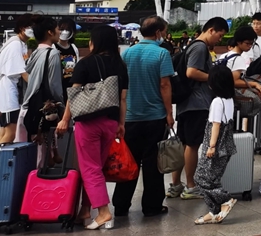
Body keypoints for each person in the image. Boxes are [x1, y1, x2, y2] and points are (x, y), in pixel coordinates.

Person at [56, 24, 128, 231]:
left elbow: (73, 95)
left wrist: (65, 119)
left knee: (90, 168)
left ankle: (103, 212)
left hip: (88, 122)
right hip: (111, 122)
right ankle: (85, 210)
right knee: (96, 167)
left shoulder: (86, 63)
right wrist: (121, 124)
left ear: (95, 42)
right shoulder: (120, 65)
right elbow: (123, 98)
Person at [112, 16, 174, 219]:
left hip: (130, 117)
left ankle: (121, 205)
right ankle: (152, 206)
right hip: (154, 116)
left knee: (128, 161)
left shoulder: (127, 53)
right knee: (152, 163)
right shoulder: (162, 53)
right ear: (157, 33)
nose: (164, 35)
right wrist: (169, 113)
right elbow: (164, 84)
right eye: (164, 32)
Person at [171, 17, 228, 200]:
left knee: (184, 144)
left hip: (187, 103)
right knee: (192, 144)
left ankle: (175, 185)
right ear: (211, 30)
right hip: (196, 103)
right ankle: (190, 186)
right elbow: (191, 72)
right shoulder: (200, 47)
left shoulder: (194, 46)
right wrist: (213, 78)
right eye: (220, 35)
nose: (219, 40)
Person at [192, 65, 238, 224]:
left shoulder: (217, 102)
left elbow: (216, 125)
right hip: (226, 146)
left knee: (200, 178)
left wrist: (211, 146)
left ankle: (226, 200)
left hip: (216, 147)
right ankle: (214, 211)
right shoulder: (229, 100)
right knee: (213, 180)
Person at [22, 16, 63, 143]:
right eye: (58, 29)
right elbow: (54, 85)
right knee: (45, 152)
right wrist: (62, 106)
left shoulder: (34, 53)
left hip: (29, 108)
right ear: (50, 32)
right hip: (44, 111)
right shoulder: (53, 54)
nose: (60, 32)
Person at [0, 14, 31, 144]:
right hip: (8, 91)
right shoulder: (15, 45)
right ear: (23, 28)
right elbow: (22, 72)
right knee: (10, 133)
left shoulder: (21, 44)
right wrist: (36, 86)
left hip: (9, 89)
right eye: (31, 27)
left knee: (3, 132)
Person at [55, 20, 80, 101]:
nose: (64, 32)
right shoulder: (53, 47)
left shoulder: (74, 48)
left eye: (68, 29)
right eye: (62, 29)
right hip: (58, 88)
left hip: (71, 88)